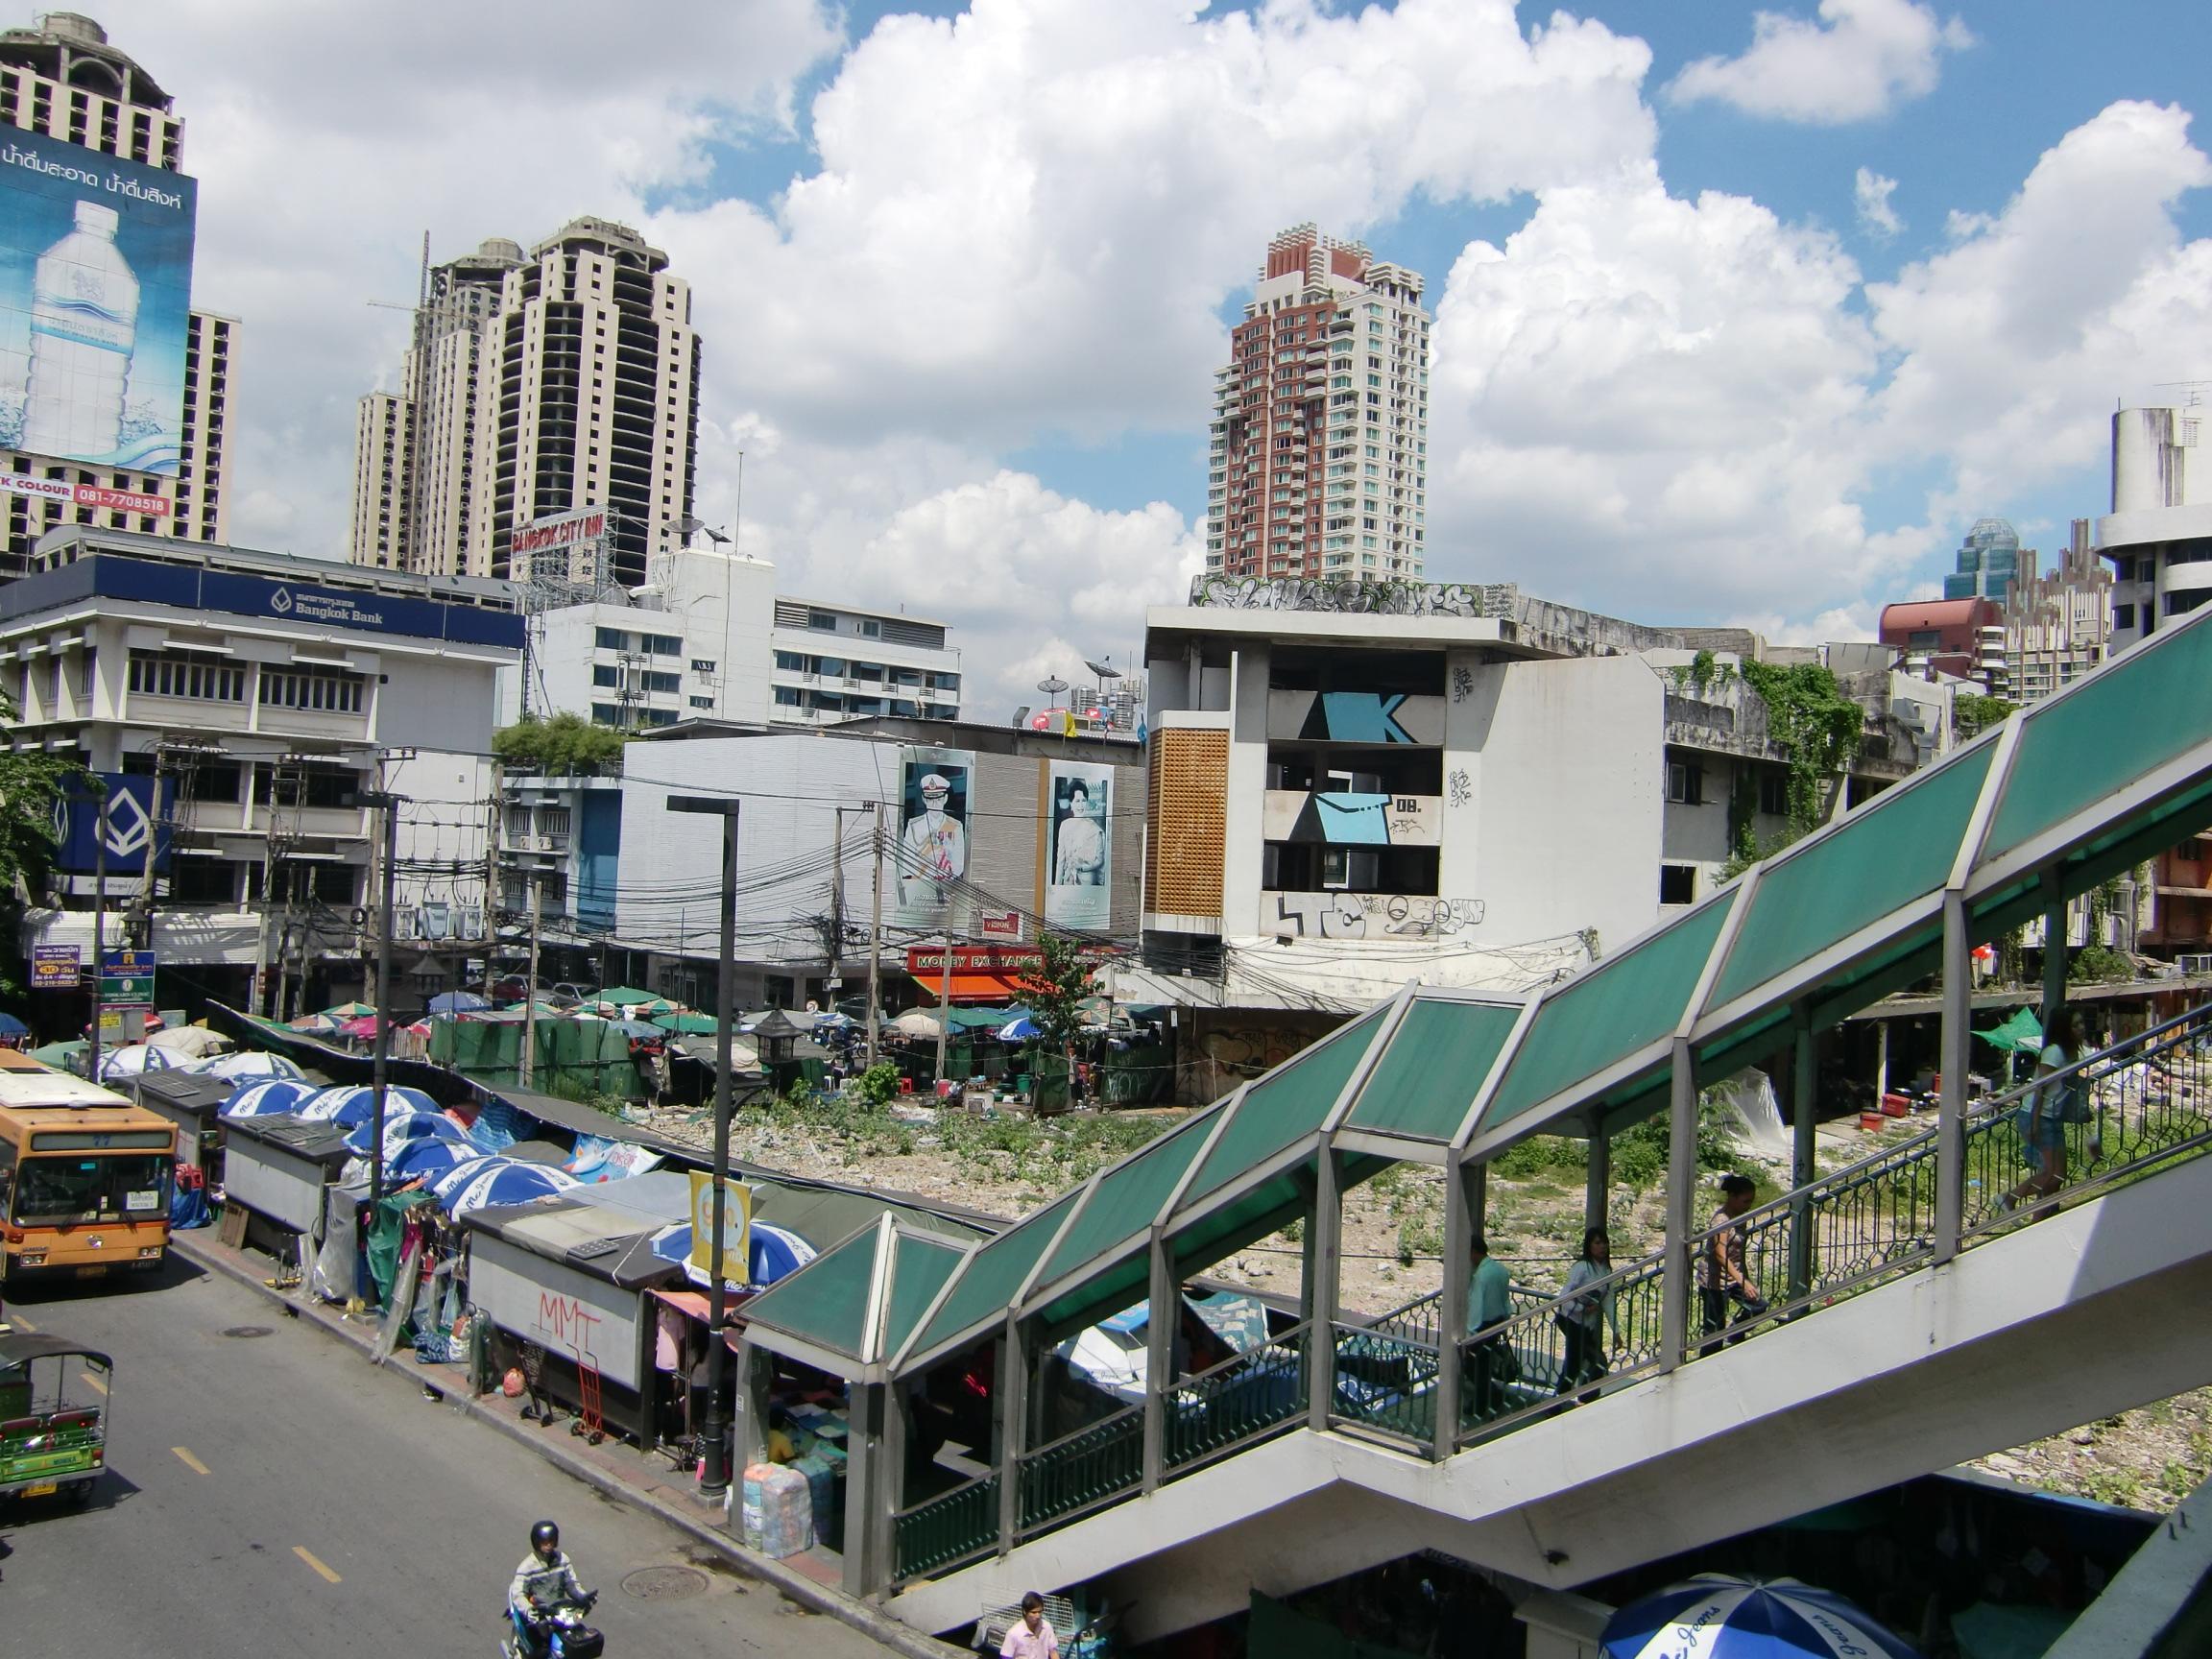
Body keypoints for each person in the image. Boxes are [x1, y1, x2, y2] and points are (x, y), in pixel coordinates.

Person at [2002, 1003, 2084, 1214]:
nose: (2081, 1028)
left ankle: (2039, 1217)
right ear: (2064, 1029)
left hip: (2052, 1117)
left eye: (2081, 1023)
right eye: (2075, 1025)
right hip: (2038, 1115)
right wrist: (2035, 1122)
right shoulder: (2054, 1052)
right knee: (2053, 1174)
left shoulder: (2071, 1052)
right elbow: (2040, 1088)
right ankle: (2009, 1198)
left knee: (2056, 1177)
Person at [507, 1519, 594, 1656]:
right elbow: (518, 1594)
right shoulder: (526, 1567)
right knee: (542, 1651)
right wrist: (530, 1610)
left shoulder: (563, 1560)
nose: (548, 1545)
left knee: (579, 1640)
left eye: (551, 1541)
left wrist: (584, 1598)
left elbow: (572, 1584)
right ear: (537, 1542)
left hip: (560, 1613)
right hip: (539, 1616)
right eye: (544, 1542)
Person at [1698, 1174, 1764, 1356]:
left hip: (1734, 1275)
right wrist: (1743, 1282)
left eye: (1750, 1201)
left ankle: (1736, 1332)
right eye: (1745, 1201)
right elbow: (1720, 1255)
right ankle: (1708, 1361)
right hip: (1714, 1280)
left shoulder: (1740, 1217)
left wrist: (1746, 1278)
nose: (1748, 1205)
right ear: (1732, 1197)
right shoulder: (1721, 1221)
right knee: (1714, 1329)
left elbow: (1739, 1253)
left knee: (1758, 1305)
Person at [1554, 1227, 1621, 1394]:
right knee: (1596, 1361)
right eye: (1597, 1243)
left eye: (1604, 1243)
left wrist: (1616, 1331)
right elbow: (1564, 1297)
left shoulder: (1606, 1271)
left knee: (1574, 1364)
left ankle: (1560, 1399)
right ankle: (1582, 1397)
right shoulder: (1582, 1267)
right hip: (1571, 1321)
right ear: (1589, 1246)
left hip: (1586, 1325)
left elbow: (1608, 1301)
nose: (1602, 1247)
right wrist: (1582, 1309)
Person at [898, 772, 967, 908]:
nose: (934, 803)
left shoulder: (955, 826)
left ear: (945, 798)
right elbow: (907, 860)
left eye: (938, 798)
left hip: (946, 888)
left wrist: (945, 877)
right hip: (919, 889)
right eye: (930, 799)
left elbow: (959, 863)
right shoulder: (914, 825)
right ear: (924, 799)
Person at [1464, 1233, 1514, 1420]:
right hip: (1498, 1323)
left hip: (1483, 1326)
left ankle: (1486, 1400)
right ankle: (1485, 1401)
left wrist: (1470, 1335)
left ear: (1473, 1252)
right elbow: (1506, 1300)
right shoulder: (1500, 1271)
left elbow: (1476, 1308)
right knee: (1484, 1365)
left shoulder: (1480, 1276)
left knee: (1473, 1366)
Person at [1052, 781, 1106, 886]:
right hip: (1068, 879)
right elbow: (1060, 861)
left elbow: (1100, 860)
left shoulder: (1094, 828)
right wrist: (1057, 887)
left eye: (1083, 800)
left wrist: (1082, 867)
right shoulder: (1064, 825)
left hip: (1088, 881)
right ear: (1071, 804)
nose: (1081, 805)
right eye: (1077, 801)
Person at [1001, 1590, 1059, 1659]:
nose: (1038, 1616)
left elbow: (1053, 1652)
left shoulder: (1046, 1627)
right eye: (1033, 1612)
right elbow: (1006, 1656)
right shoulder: (1013, 1633)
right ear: (1025, 1611)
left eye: (1040, 1612)